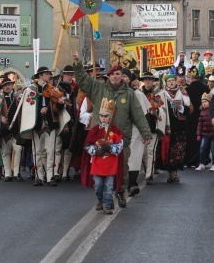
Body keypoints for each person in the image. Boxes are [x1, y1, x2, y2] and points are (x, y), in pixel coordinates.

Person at [72, 51, 152, 208]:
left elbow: (137, 114)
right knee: (100, 169)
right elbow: (82, 80)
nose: (116, 76)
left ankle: (121, 192)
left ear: (122, 76)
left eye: (119, 74)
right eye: (113, 74)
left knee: (122, 169)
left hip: (121, 139)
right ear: (108, 76)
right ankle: (101, 198)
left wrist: (145, 133)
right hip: (101, 139)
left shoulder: (129, 94)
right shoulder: (98, 88)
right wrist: (77, 64)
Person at [82, 98, 124, 215]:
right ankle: (101, 200)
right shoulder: (95, 130)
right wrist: (96, 151)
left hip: (111, 164)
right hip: (97, 163)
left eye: (106, 116)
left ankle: (107, 205)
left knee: (109, 186)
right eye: (101, 116)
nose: (103, 118)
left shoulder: (116, 130)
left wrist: (110, 148)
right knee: (98, 185)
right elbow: (87, 145)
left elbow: (119, 147)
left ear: (110, 117)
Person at [31, 67, 66, 187]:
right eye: (47, 74)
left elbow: (58, 109)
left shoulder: (52, 89)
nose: (49, 76)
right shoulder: (32, 89)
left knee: (50, 150)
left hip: (50, 123)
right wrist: (39, 109)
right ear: (40, 75)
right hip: (37, 124)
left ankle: (50, 176)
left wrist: (60, 103)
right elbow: (28, 108)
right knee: (38, 151)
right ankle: (38, 176)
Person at [163, 74, 192, 183]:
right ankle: (169, 173)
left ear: (176, 81)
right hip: (167, 125)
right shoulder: (163, 93)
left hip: (180, 126)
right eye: (169, 81)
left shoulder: (183, 92)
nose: (171, 82)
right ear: (166, 83)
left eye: (172, 80)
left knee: (178, 150)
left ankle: (175, 173)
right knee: (168, 150)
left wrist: (181, 107)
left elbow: (190, 109)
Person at [140, 71, 168, 184]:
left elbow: (164, 110)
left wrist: (156, 110)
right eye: (146, 79)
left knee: (151, 150)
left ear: (153, 81)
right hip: (142, 126)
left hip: (154, 125)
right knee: (143, 152)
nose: (148, 81)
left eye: (150, 79)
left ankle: (149, 175)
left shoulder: (160, 93)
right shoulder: (138, 93)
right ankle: (147, 169)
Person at [185, 66, 210, 167]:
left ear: (191, 79)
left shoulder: (187, 89)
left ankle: (189, 159)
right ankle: (202, 159)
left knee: (191, 137)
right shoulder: (206, 88)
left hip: (190, 118)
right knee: (203, 138)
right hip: (204, 117)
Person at [196, 93, 214, 171]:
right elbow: (200, 124)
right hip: (204, 133)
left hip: (213, 133)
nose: (204, 103)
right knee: (202, 148)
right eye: (202, 102)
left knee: (213, 149)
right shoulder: (202, 112)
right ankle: (201, 163)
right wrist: (198, 134)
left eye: (205, 101)